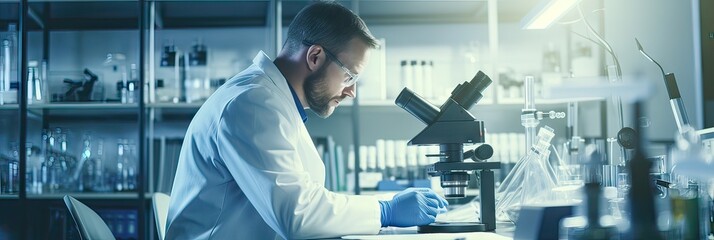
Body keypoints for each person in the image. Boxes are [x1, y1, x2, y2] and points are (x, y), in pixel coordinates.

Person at [165, 1, 448, 239]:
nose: (351, 91)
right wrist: (385, 210)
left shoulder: (274, 101)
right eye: (350, 76)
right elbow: (297, 214)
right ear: (315, 56)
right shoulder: (252, 103)